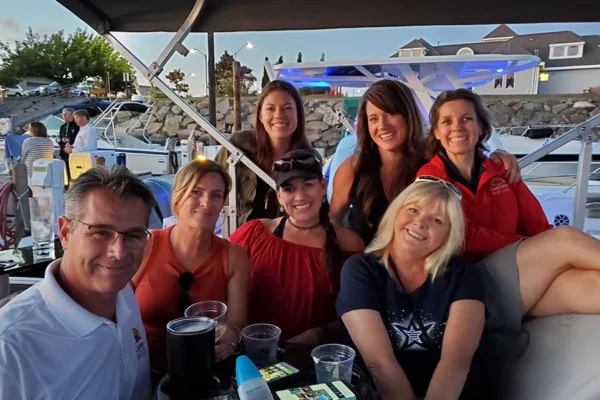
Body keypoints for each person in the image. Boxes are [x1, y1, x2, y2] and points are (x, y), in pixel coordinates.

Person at [417, 88, 600, 361]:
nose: (457, 127)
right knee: (564, 239)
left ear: (481, 127)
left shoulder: (500, 170)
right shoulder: (430, 181)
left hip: (519, 276)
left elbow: (536, 224)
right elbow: (460, 237)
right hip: (475, 283)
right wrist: (530, 247)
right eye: (447, 121)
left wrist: (545, 254)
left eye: (467, 119)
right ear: (436, 132)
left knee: (594, 286)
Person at [0, 166, 155, 399]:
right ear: (65, 233)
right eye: (101, 232)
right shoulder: (10, 349)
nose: (119, 253)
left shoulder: (123, 295)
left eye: (133, 236)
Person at [337, 179, 485, 400]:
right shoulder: (360, 269)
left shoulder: (463, 275)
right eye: (413, 209)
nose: (420, 223)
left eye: (437, 220)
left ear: (449, 233)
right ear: (395, 212)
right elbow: (379, 361)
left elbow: (456, 360)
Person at [329, 79, 522, 246]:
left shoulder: (434, 161)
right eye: (373, 118)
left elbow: (469, 156)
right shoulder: (353, 169)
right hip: (367, 268)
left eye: (391, 114)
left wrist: (500, 154)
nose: (383, 125)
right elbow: (333, 223)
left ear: (408, 115)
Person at [229, 149, 364, 345]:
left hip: (315, 358)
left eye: (308, 185)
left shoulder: (348, 243)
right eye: (289, 189)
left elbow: (359, 310)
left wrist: (320, 334)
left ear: (322, 186)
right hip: (256, 355)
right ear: (279, 197)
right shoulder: (253, 234)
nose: (299, 196)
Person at [133, 159, 250, 373]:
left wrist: (230, 336)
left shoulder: (235, 256)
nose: (206, 202)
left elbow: (237, 323)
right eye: (196, 192)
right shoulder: (144, 247)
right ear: (178, 198)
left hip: (207, 373)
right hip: (143, 372)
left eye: (216, 195)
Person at [215, 80, 317, 226]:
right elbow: (210, 183)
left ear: (299, 115)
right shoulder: (237, 146)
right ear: (261, 116)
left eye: (287, 108)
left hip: (286, 243)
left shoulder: (309, 159)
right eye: (270, 109)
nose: (279, 115)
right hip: (239, 240)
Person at [58, 107, 80, 181]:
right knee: (65, 172)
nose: (64, 116)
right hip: (64, 153)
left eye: (66, 114)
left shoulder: (77, 126)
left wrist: (70, 140)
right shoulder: (62, 127)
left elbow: (80, 140)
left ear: (72, 115)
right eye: (63, 115)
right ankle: (66, 186)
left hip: (74, 153)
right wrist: (61, 139)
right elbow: (59, 139)